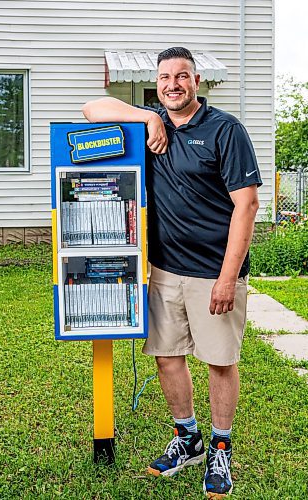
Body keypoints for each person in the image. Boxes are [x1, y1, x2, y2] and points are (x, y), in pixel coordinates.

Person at [82, 46, 262, 498]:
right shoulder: (150, 124)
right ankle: (189, 438)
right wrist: (147, 118)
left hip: (213, 272)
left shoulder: (225, 130)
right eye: (165, 78)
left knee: (220, 361)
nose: (173, 85)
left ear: (196, 82)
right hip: (164, 269)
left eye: (182, 76)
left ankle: (220, 447)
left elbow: (247, 205)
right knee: (167, 357)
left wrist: (227, 277)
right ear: (157, 83)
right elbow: (92, 108)